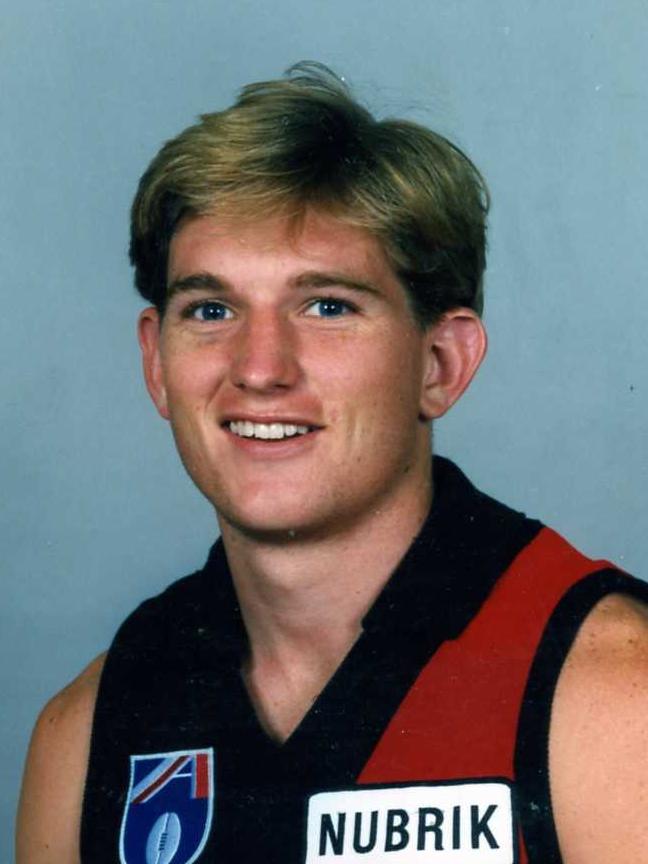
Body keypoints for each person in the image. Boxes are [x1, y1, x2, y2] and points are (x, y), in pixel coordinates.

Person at [16, 63, 648, 864]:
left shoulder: (614, 700)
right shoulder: (91, 730)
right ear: (155, 363)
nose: (260, 368)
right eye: (211, 310)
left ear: (440, 364)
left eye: (327, 307)